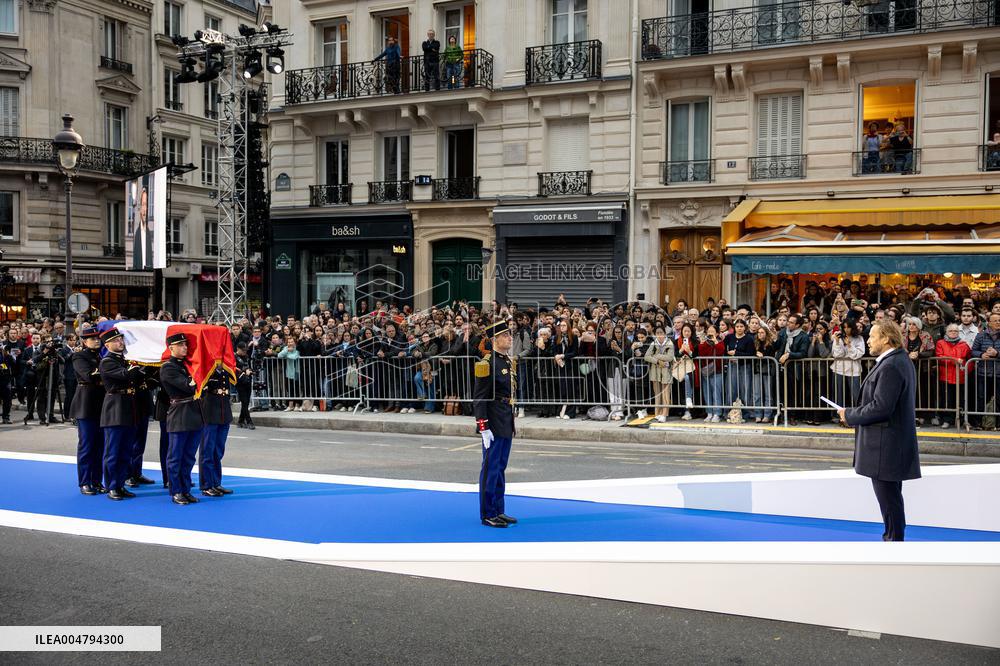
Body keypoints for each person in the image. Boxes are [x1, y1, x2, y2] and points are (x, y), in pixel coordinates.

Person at [838, 319, 921, 542]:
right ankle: (893, 540)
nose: (868, 340)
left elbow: (881, 408)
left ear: (885, 338)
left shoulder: (893, 364)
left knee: (889, 500)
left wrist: (850, 415)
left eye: (872, 337)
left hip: (886, 446)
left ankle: (893, 543)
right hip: (888, 444)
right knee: (891, 499)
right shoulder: (895, 361)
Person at [474, 320, 518, 528]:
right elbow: (480, 397)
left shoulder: (507, 361)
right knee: (490, 468)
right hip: (492, 420)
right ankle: (487, 513)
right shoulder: (487, 363)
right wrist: (483, 426)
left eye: (509, 334)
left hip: (505, 418)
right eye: (506, 335)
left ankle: (499, 509)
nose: (510, 338)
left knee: (500, 467)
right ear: (495, 340)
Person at [99, 327, 145, 501]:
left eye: (121, 340)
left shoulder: (123, 360)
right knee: (113, 451)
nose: (121, 342)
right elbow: (125, 376)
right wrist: (136, 368)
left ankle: (120, 483)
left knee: (126, 451)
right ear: (108, 344)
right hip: (115, 409)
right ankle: (111, 486)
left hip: (128, 408)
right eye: (117, 340)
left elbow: (135, 377)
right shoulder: (107, 361)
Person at [159, 333, 205, 505]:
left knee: (188, 457)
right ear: (171, 348)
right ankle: (176, 490)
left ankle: (185, 489)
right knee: (175, 456)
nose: (185, 347)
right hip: (180, 414)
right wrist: (197, 377)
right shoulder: (168, 367)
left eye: (186, 345)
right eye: (181, 345)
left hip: (194, 413)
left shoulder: (187, 365)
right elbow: (187, 386)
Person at [69, 326, 106, 495]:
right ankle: (85, 482)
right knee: (86, 445)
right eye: (92, 338)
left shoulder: (100, 356)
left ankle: (97, 481)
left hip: (101, 404)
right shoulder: (79, 356)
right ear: (84, 341)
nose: (96, 340)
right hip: (86, 404)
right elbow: (88, 375)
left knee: (100, 446)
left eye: (98, 338)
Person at [199, 366, 234, 497]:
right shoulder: (207, 369)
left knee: (218, 451)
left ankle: (216, 483)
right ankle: (207, 485)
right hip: (210, 410)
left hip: (224, 412)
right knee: (207, 451)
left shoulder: (226, 369)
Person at [131, 185, 153, 270]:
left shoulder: (149, 232)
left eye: (147, 205)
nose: (145, 209)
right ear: (140, 208)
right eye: (143, 204)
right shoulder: (138, 233)